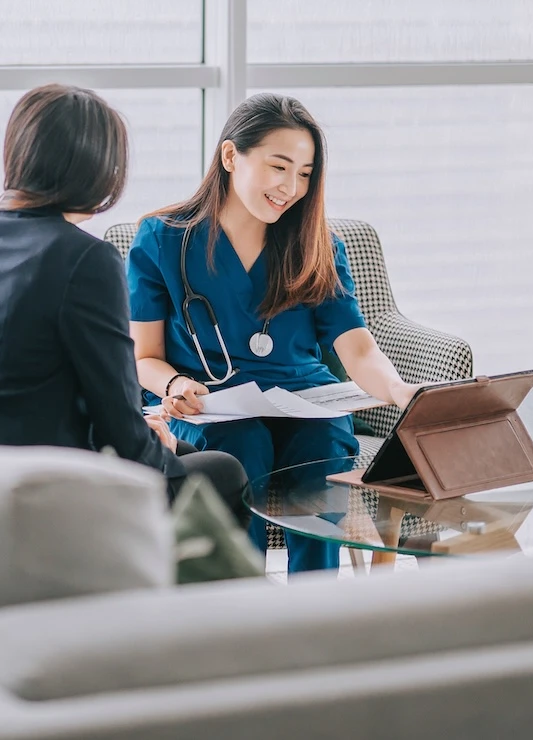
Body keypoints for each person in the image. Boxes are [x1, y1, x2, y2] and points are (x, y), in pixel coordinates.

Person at [0, 84, 250, 525]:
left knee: (186, 452)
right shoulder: (85, 259)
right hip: (42, 484)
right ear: (98, 168)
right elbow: (117, 419)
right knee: (224, 472)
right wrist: (153, 448)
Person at [128, 93, 418, 572]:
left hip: (306, 400)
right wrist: (175, 385)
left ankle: (313, 608)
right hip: (211, 405)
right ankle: (240, 605)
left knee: (323, 447)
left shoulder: (318, 246)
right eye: (278, 166)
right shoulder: (162, 239)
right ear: (229, 156)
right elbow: (145, 358)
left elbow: (357, 346)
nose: (291, 187)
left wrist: (397, 389)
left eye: (304, 174)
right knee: (243, 447)